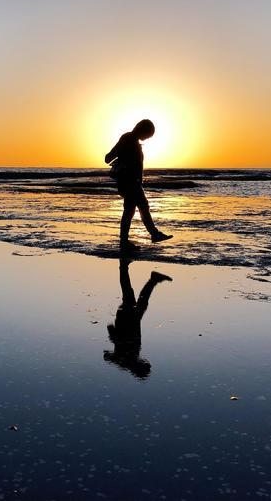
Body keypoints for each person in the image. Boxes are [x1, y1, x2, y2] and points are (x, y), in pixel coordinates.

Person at [104, 119, 172, 251]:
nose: (146, 139)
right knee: (132, 211)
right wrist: (121, 158)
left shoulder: (131, 140)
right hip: (129, 182)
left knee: (138, 209)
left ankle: (150, 235)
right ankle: (138, 238)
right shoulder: (128, 139)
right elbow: (108, 158)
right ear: (142, 130)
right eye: (147, 135)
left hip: (132, 183)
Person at [103, 258, 173, 380]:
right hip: (132, 321)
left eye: (144, 363)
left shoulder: (125, 361)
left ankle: (125, 267)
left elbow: (113, 349)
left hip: (127, 320)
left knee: (129, 293)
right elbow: (109, 356)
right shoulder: (128, 360)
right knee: (139, 299)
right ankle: (152, 279)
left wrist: (112, 332)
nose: (144, 360)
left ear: (138, 367)